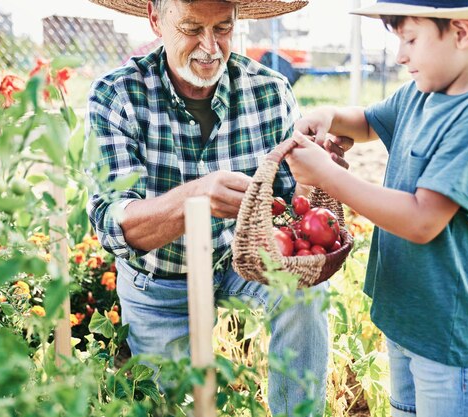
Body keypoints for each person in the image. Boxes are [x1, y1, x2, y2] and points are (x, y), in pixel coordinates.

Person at [85, 0, 349, 414]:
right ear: (156, 18)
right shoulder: (118, 96)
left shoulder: (269, 89)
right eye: (192, 28)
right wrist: (195, 198)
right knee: (166, 403)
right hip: (160, 281)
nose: (210, 47)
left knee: (303, 292)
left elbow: (290, 209)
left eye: (223, 29)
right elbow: (115, 225)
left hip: (243, 264)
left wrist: (315, 172)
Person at [284, 1, 468, 416]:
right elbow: (366, 122)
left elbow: (422, 220)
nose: (400, 55)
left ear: (461, 33)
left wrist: (327, 175)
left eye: (410, 39)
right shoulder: (420, 92)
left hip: (446, 328)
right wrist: (330, 115)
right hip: (406, 312)